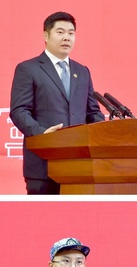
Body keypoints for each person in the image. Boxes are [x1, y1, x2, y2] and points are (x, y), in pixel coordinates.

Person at [10, 12, 105, 194]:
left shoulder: (82, 71)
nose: (66, 38)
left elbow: (93, 112)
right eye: (60, 32)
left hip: (80, 165)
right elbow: (19, 110)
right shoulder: (28, 69)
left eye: (71, 33)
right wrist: (42, 135)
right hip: (43, 164)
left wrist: (102, 134)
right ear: (46, 36)